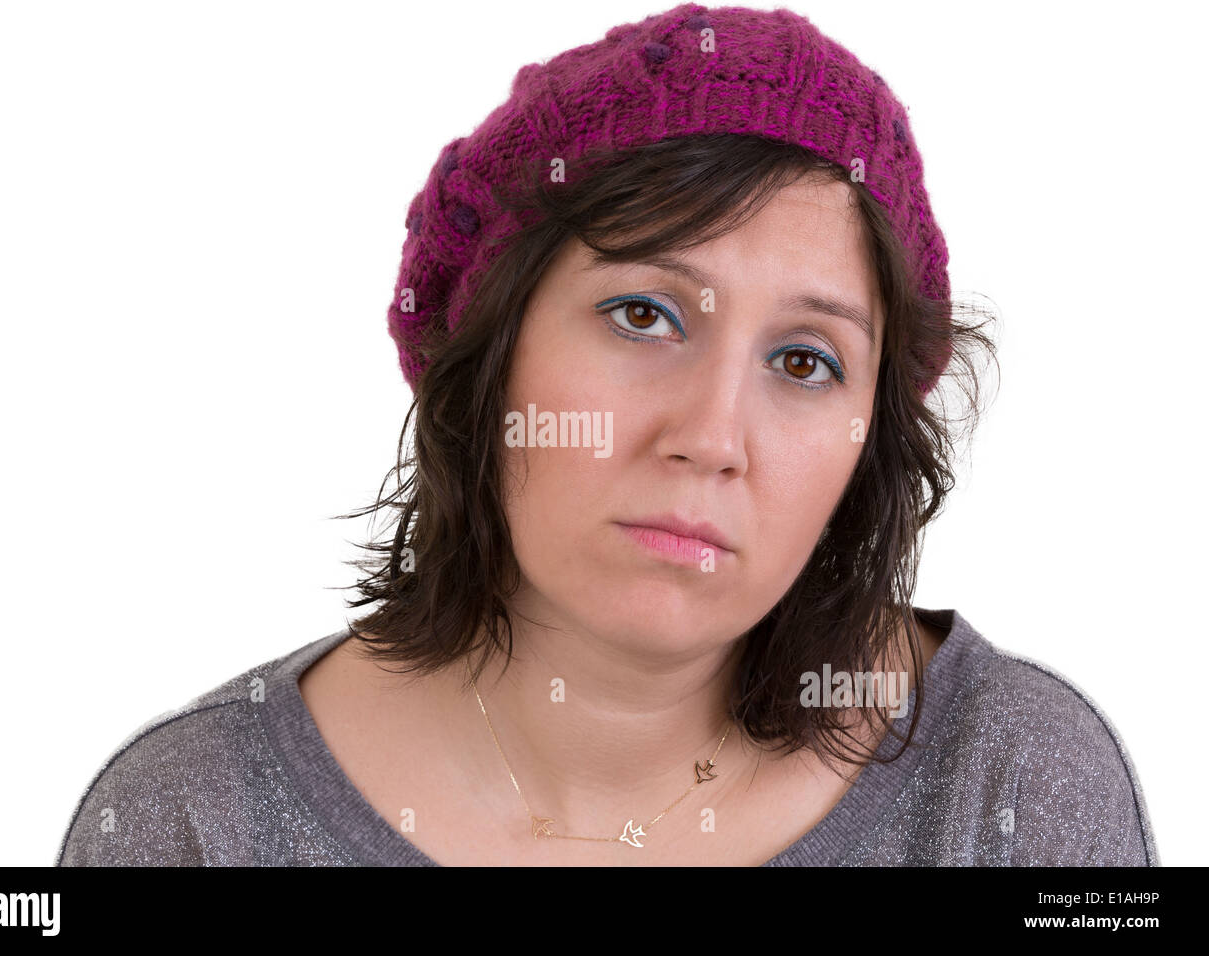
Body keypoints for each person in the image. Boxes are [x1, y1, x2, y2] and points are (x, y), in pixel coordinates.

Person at [56, 2, 1158, 866]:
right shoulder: (197, 819)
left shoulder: (1012, 782)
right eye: (644, 314)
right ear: (488, 357)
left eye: (803, 360)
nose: (710, 435)